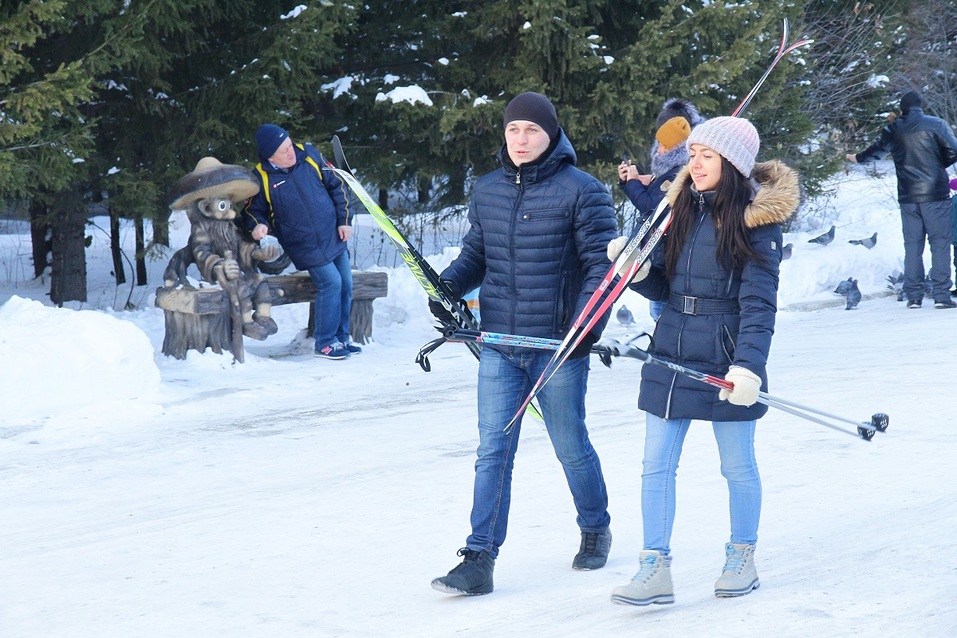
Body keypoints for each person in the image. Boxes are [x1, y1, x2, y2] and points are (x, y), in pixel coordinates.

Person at [428, 92, 618, 596]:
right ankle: (479, 557)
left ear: (551, 134)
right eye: (514, 130)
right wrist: (447, 287)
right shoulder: (487, 189)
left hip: (558, 347)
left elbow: (603, 267)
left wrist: (583, 329)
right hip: (499, 342)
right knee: (493, 448)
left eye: (532, 130)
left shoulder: (584, 191)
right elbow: (476, 254)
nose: (521, 139)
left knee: (569, 445)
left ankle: (595, 526)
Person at [607, 117, 799, 606]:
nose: (693, 163)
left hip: (727, 354)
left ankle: (742, 555)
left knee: (736, 466)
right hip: (671, 344)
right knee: (655, 466)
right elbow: (666, 287)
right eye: (691, 153)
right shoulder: (679, 211)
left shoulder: (757, 221)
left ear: (731, 164)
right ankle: (654, 567)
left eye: (706, 155)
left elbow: (760, 305)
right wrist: (639, 271)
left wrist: (749, 367)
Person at [241, 124, 362, 359]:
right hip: (303, 245)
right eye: (283, 150)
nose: (290, 152)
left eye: (289, 145)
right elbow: (251, 212)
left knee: (346, 284)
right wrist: (257, 225)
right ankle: (325, 343)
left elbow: (337, 186)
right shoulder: (261, 177)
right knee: (332, 284)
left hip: (333, 235)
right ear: (269, 156)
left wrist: (344, 220)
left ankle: (341, 338)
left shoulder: (309, 154)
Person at [846, 91, 957, 309]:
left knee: (913, 246)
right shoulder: (936, 124)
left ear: (901, 109)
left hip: (908, 196)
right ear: (920, 106)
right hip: (936, 194)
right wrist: (936, 166)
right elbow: (954, 151)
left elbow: (876, 152)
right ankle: (942, 296)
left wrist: (857, 157)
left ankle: (914, 296)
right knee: (940, 244)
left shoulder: (893, 129)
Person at [618, 98, 704, 320]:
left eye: (665, 146)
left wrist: (633, 183)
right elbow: (660, 189)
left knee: (661, 311)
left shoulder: (679, 172)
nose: (660, 150)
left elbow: (651, 205)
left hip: (666, 254)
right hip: (661, 253)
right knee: (658, 307)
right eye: (659, 145)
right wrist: (643, 180)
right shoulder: (674, 169)